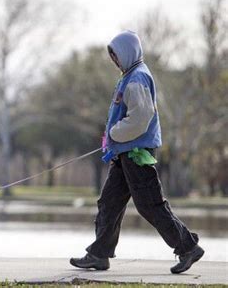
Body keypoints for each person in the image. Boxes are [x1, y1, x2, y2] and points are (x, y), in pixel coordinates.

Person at [69, 31, 204, 274]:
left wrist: (114, 134)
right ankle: (99, 254)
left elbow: (141, 118)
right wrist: (114, 139)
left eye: (116, 55)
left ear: (127, 53)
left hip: (137, 154)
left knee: (150, 205)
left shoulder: (137, 78)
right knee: (109, 202)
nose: (114, 60)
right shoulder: (128, 76)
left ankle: (188, 247)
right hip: (125, 152)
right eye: (112, 56)